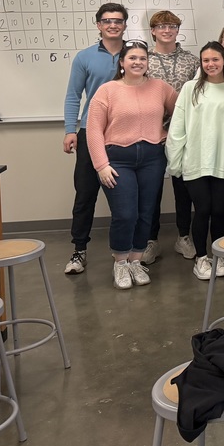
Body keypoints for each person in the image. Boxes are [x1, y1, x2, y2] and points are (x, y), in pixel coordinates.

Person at [87, 40, 178, 289]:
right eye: (132, 58)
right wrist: (101, 166)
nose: (138, 62)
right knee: (125, 214)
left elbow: (181, 113)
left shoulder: (160, 88)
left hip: (152, 158)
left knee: (146, 212)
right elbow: (93, 131)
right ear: (122, 63)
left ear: (148, 63)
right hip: (117, 160)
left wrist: (171, 136)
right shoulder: (107, 91)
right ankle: (120, 262)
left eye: (142, 58)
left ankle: (136, 261)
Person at [166, 42, 224, 281]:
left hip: (222, 161)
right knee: (203, 209)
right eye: (206, 61)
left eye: (215, 59)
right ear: (201, 64)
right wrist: (175, 161)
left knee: (220, 209)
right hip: (194, 161)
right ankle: (201, 258)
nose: (210, 64)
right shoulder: (191, 88)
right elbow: (178, 127)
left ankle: (219, 254)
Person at [61, 2, 128, 276]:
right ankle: (79, 250)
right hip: (91, 132)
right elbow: (74, 95)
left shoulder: (134, 54)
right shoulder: (84, 57)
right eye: (107, 20)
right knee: (85, 194)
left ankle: (127, 253)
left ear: (125, 24)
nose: (113, 24)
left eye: (118, 20)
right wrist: (69, 129)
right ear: (98, 24)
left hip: (125, 133)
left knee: (125, 197)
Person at [143, 10, 199, 265]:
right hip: (151, 133)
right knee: (151, 189)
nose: (167, 30)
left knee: (183, 188)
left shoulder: (192, 61)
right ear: (153, 30)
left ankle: (183, 236)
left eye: (172, 26)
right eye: (162, 26)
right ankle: (150, 240)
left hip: (184, 133)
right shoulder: (143, 60)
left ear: (178, 30)